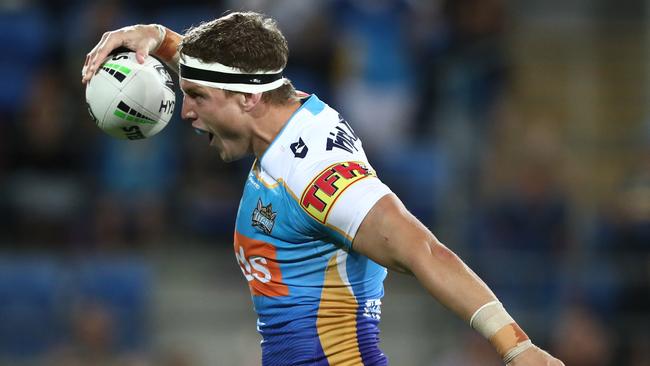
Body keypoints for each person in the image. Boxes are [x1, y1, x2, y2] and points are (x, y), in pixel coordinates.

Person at [81, 11, 564, 366]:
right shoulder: (286, 109)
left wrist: (515, 347)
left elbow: (424, 250)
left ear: (247, 98)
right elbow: (225, 70)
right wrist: (159, 38)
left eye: (197, 98)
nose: (185, 113)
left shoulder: (317, 176)